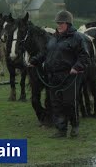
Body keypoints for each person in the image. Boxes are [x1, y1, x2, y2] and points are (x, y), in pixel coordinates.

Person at [29, 10, 90, 138]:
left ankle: (74, 126)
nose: (59, 25)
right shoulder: (53, 39)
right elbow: (45, 53)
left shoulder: (77, 38)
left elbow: (84, 56)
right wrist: (35, 61)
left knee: (69, 103)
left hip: (70, 76)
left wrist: (77, 67)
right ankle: (61, 130)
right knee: (56, 104)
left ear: (68, 23)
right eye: (58, 23)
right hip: (53, 76)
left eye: (62, 23)